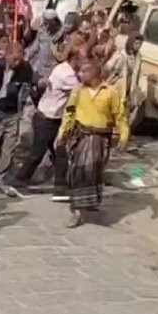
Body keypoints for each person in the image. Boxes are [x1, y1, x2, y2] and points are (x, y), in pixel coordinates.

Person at [57, 57, 129, 227]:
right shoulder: (78, 91)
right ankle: (77, 211)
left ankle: (88, 202)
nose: (79, 74)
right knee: (79, 173)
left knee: (93, 173)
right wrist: (62, 134)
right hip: (81, 137)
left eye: (84, 71)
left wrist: (124, 136)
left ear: (95, 73)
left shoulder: (110, 92)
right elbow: (69, 113)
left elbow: (120, 116)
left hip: (100, 140)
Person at [15, 45, 80, 198]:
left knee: (60, 152)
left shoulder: (63, 68)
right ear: (74, 59)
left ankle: (60, 188)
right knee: (37, 153)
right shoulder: (66, 74)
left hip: (54, 117)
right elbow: (82, 90)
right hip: (47, 118)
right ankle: (19, 182)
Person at [0, 42, 33, 193]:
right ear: (7, 55)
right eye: (14, 59)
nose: (17, 63)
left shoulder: (25, 68)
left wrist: (22, 107)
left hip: (12, 112)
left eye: (19, 59)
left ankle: (1, 178)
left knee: (8, 148)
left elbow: (27, 87)